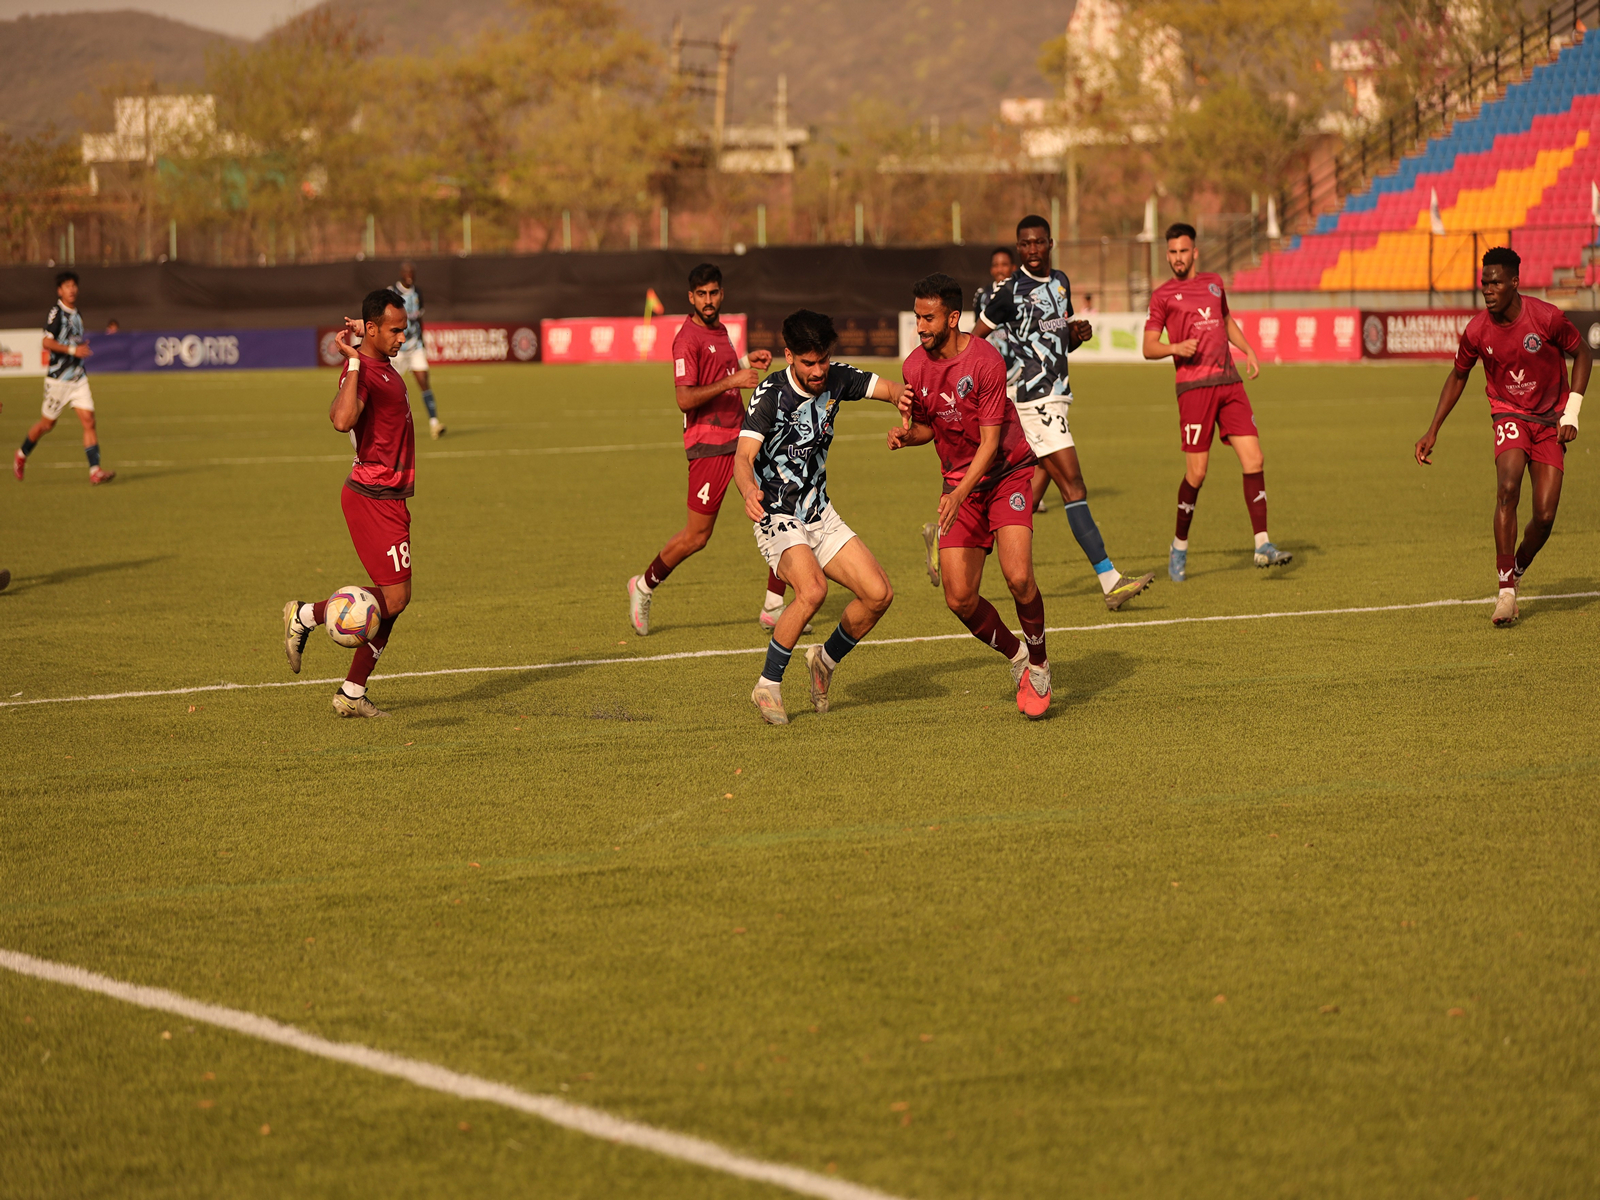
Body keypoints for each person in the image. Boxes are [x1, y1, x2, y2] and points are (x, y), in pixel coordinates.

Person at [893, 273, 1052, 718]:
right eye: (917, 317)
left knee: (1018, 577)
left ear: (953, 317)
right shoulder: (913, 366)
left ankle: (1039, 665)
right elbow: (929, 426)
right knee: (959, 598)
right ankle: (1017, 656)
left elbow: (989, 442)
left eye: (929, 318)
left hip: (1005, 474)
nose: (921, 327)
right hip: (959, 485)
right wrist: (908, 436)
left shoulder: (985, 362)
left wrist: (960, 492)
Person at [975, 215, 1152, 610]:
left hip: (1057, 396)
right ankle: (1110, 580)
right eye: (1025, 244)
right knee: (1074, 486)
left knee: (1017, 494)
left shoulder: (1061, 282)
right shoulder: (1008, 293)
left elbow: (1059, 342)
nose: (1032, 250)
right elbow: (975, 339)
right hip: (1032, 402)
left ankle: (945, 534)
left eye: (1038, 243)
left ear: (1050, 243)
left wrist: (1077, 335)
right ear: (1018, 247)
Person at [735, 309, 898, 725]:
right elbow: (743, 455)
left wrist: (908, 405)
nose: (819, 370)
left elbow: (893, 390)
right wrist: (748, 488)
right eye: (809, 362)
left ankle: (824, 661)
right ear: (788, 356)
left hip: (819, 512)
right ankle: (767, 685)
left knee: (879, 594)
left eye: (824, 359)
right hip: (776, 513)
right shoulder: (771, 394)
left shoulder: (838, 377)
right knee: (813, 591)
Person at [1415, 246, 1590, 626]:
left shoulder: (1546, 318)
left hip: (1549, 421)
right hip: (1508, 413)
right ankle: (1506, 592)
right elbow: (1459, 375)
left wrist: (1571, 412)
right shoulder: (1477, 329)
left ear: (1515, 282)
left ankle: (1518, 567)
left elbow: (1584, 353)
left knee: (1544, 517)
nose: (1488, 289)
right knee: (1508, 488)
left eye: (1495, 282)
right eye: (1484, 283)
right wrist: (1433, 429)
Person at [627, 262, 795, 636]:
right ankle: (643, 585)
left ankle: (773, 605)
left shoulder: (719, 330)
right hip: (708, 445)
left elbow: (717, 371)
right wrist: (734, 378)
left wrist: (744, 362)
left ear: (722, 294)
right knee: (697, 537)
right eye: (701, 294)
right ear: (691, 297)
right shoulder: (685, 339)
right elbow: (685, 398)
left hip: (742, 438)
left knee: (779, 507)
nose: (708, 299)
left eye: (713, 293)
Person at [282, 289, 418, 716]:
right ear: (375, 329)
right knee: (394, 600)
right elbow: (342, 420)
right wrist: (356, 358)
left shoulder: (381, 361)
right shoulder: (362, 370)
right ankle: (307, 615)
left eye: (404, 329)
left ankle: (352, 692)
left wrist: (367, 338)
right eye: (395, 331)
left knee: (395, 601)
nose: (402, 338)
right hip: (372, 496)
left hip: (389, 496)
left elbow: (375, 342)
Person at [1144, 222, 1292, 580]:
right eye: (1172, 253)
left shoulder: (1214, 283)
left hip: (1229, 383)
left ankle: (1262, 544)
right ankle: (1179, 546)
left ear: (1195, 252)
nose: (1177, 258)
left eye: (1183, 251)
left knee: (1254, 458)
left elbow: (1225, 320)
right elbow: (1148, 347)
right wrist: (1175, 348)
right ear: (1168, 255)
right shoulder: (1162, 295)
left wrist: (1248, 350)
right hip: (1194, 390)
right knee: (1197, 473)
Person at [14, 271, 114, 485]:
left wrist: (79, 349)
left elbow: (73, 342)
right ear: (60, 290)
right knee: (46, 425)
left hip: (78, 378)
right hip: (58, 380)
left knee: (89, 421)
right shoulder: (56, 313)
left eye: (74, 285)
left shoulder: (77, 314)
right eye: (67, 286)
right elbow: (46, 342)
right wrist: (72, 351)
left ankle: (94, 470)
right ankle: (22, 454)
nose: (72, 289)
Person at [392, 261, 445, 439]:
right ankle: (389, 426)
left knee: (424, 382)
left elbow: (418, 319)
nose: (409, 275)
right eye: (406, 272)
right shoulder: (392, 292)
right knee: (391, 389)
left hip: (415, 347)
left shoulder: (417, 292)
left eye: (412, 272)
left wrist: (422, 340)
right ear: (400, 273)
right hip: (397, 349)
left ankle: (434, 423)